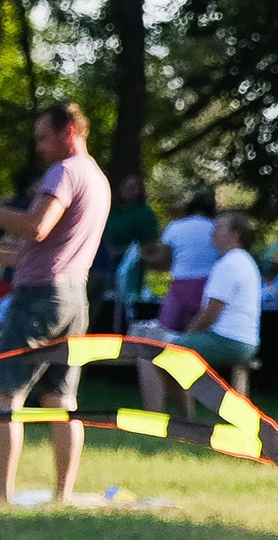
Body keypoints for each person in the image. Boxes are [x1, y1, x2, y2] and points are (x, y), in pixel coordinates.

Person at [0, 104, 111, 506]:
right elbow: (51, 248)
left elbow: (36, 228)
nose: (40, 147)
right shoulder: (98, 179)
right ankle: (63, 497)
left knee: (6, 394)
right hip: (75, 298)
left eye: (45, 137)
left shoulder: (65, 172)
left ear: (71, 130)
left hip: (39, 298)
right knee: (62, 401)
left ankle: (3, 498)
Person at [134, 211, 263, 411]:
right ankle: (185, 419)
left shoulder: (228, 265)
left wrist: (184, 337)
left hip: (228, 341)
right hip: (242, 341)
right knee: (174, 352)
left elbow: (210, 314)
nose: (213, 233)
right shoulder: (243, 260)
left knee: (148, 350)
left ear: (235, 234)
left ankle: (154, 418)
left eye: (220, 227)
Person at [91, 173, 161, 332]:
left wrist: (126, 252)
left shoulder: (144, 213)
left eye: (134, 187)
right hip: (102, 266)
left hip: (130, 269)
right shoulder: (113, 211)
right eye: (126, 186)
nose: (129, 190)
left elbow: (150, 245)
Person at [147, 188, 219, 332]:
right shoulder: (217, 229)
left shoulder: (175, 227)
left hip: (180, 284)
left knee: (168, 333)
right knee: (198, 333)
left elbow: (164, 260)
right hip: (209, 288)